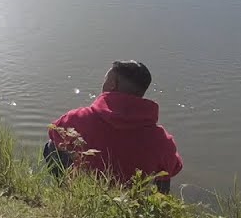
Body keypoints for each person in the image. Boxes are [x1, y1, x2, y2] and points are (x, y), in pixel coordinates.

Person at [45, 61, 183, 193]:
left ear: (112, 84)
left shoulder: (79, 118)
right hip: (129, 201)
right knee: (165, 171)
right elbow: (175, 167)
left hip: (87, 191)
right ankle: (158, 210)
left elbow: (54, 132)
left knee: (51, 146)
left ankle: (66, 192)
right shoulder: (161, 139)